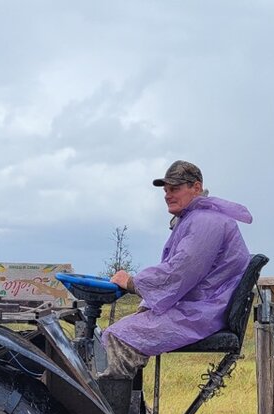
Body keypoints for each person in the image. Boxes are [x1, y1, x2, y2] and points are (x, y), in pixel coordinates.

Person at [100, 160, 252, 379]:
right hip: (200, 307)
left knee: (119, 338)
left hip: (203, 311)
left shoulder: (206, 222)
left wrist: (132, 283)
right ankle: (135, 410)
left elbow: (180, 272)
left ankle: (110, 412)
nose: (167, 195)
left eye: (175, 189)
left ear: (196, 188)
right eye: (165, 190)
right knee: (120, 330)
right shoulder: (197, 218)